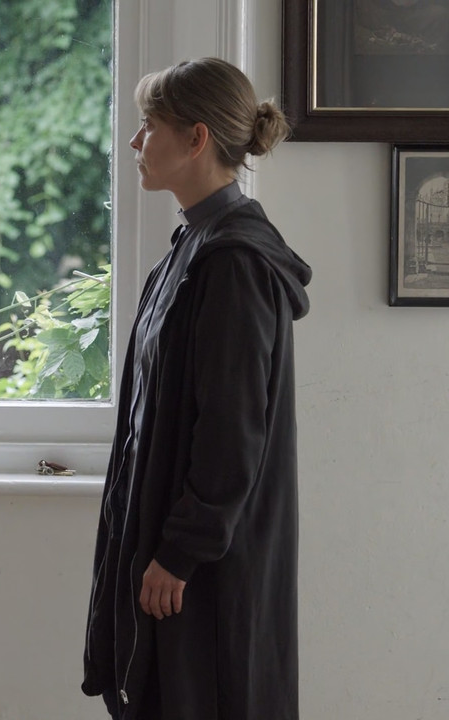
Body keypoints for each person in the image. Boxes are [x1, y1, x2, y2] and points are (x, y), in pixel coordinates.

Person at [81, 57, 312, 720]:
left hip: (206, 565)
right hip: (174, 546)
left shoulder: (233, 262)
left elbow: (232, 429)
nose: (135, 141)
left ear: (196, 139)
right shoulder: (194, 245)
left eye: (148, 124)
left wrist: (182, 550)